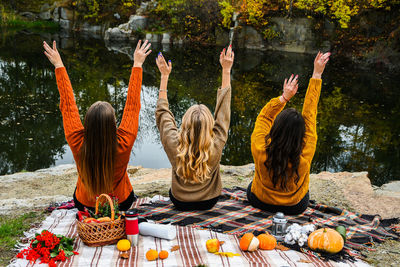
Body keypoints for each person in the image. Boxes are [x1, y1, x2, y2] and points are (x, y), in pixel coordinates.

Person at [43, 40, 152, 211]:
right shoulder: (124, 142)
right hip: (120, 204)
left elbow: (68, 106)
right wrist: (137, 64)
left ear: (87, 124)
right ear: (112, 125)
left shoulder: (77, 141)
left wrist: (59, 65)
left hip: (85, 205)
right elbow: (132, 106)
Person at [247, 52, 330, 215]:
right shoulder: (306, 153)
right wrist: (317, 74)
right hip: (294, 206)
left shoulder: (260, 147)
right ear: (301, 135)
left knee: (252, 186)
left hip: (260, 201)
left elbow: (264, 116)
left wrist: (284, 98)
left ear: (275, 128)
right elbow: (310, 115)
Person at [155, 46, 234, 211]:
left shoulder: (174, 143)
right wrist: (226, 70)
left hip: (180, 201)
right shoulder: (216, 144)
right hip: (209, 201)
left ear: (184, 124)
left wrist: (164, 76)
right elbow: (223, 114)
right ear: (209, 126)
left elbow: (163, 115)